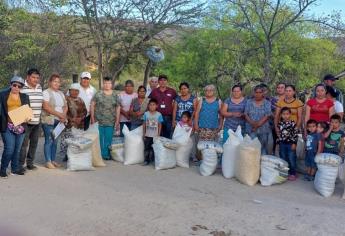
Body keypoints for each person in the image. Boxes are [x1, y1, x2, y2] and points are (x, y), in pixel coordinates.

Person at [0, 76, 30, 178]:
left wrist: (27, 117)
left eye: (19, 86)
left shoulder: (25, 97)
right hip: (7, 125)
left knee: (17, 149)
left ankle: (14, 169)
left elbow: (27, 111)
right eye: (14, 85)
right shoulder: (2, 94)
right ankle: (2, 169)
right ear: (10, 84)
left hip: (20, 126)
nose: (17, 87)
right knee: (9, 149)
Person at [18, 68, 43, 172]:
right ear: (27, 77)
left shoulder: (40, 87)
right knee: (23, 144)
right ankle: (20, 165)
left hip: (37, 121)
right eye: (33, 77)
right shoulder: (21, 87)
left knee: (34, 143)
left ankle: (30, 163)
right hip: (25, 122)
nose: (35, 79)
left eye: (37, 77)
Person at [41, 74, 67, 169]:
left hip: (59, 121)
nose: (56, 83)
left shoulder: (61, 93)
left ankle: (53, 160)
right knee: (49, 140)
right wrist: (60, 115)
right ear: (50, 82)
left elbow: (65, 106)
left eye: (58, 82)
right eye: (54, 81)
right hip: (49, 120)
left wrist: (63, 115)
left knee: (55, 141)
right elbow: (46, 107)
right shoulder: (46, 92)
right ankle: (48, 161)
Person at [90, 77, 120, 160]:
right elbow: (92, 105)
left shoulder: (115, 95)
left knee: (108, 138)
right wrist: (92, 118)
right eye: (105, 83)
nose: (107, 85)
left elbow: (118, 107)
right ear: (103, 84)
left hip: (110, 121)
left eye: (109, 83)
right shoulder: (98, 93)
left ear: (111, 85)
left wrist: (117, 120)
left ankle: (106, 155)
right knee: (99, 138)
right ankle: (99, 154)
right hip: (98, 121)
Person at [60, 83, 87, 161]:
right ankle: (66, 156)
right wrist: (72, 119)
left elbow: (85, 111)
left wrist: (80, 118)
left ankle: (75, 155)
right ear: (69, 91)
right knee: (67, 141)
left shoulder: (80, 100)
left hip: (79, 125)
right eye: (73, 90)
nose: (75, 92)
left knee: (77, 141)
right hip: (69, 125)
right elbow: (63, 111)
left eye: (77, 91)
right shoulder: (65, 99)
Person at [244, 85, 272, 155]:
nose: (258, 94)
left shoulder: (267, 103)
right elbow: (246, 114)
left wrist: (256, 126)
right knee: (251, 148)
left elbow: (267, 115)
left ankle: (262, 164)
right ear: (254, 93)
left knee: (262, 148)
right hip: (251, 129)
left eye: (260, 92)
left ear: (263, 93)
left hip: (263, 129)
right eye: (256, 92)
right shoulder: (249, 102)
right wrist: (252, 123)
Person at [277, 107, 298, 181]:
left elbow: (295, 134)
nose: (285, 116)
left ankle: (293, 173)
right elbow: (279, 134)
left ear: (290, 115)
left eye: (287, 114)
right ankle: (284, 172)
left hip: (290, 144)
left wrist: (294, 144)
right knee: (283, 158)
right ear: (281, 115)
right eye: (283, 114)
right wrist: (278, 143)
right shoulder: (280, 123)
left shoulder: (293, 123)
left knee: (291, 158)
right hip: (282, 144)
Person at [142, 99, 163, 165]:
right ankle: (146, 160)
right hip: (148, 135)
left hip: (155, 135)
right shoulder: (146, 114)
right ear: (148, 106)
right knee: (147, 148)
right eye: (150, 105)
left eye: (153, 105)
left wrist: (158, 134)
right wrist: (144, 133)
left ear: (157, 106)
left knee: (154, 148)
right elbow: (144, 124)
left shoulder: (159, 114)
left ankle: (153, 159)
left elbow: (160, 125)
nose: (152, 106)